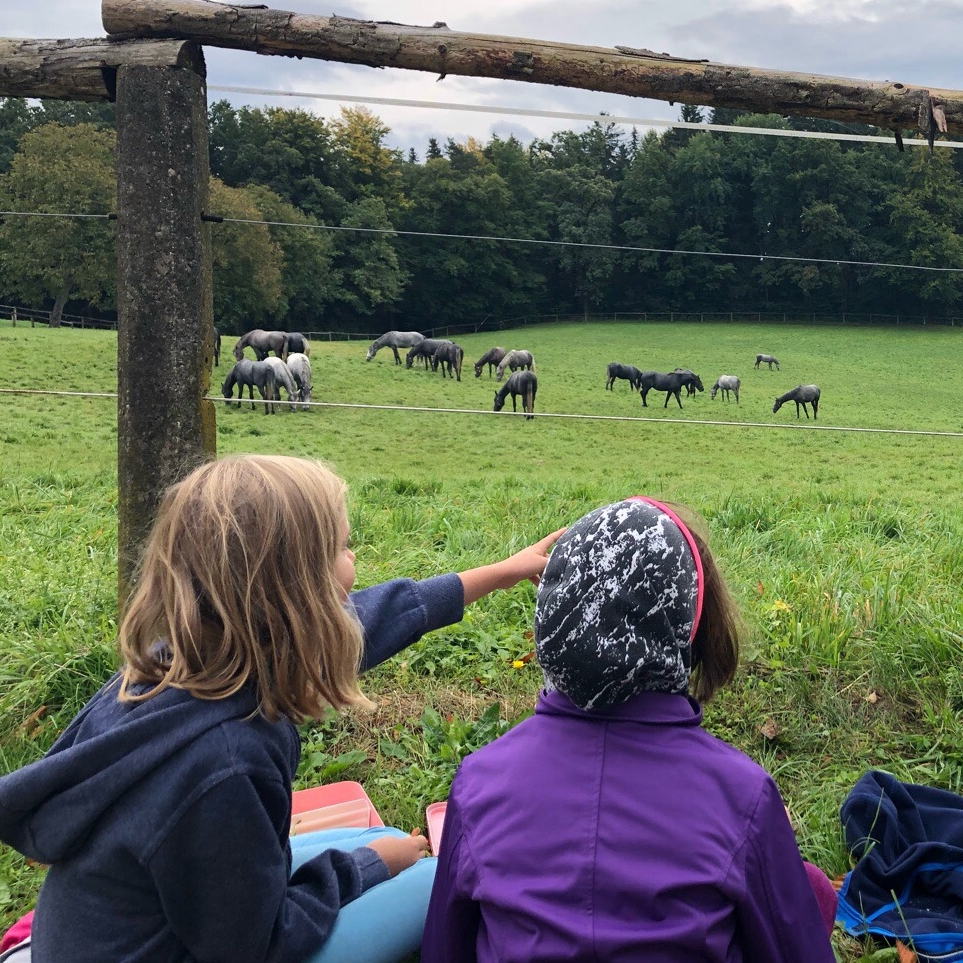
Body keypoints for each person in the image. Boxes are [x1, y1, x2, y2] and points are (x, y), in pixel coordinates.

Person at [0, 454, 563, 963]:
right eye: (343, 546)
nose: (356, 561)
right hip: (198, 948)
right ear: (294, 593)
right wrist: (370, 868)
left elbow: (379, 615)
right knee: (430, 881)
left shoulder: (179, 661)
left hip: (105, 932)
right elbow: (255, 947)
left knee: (387, 837)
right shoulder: (227, 762)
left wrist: (505, 570)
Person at [422, 496, 838, 963]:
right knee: (814, 891)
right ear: (690, 626)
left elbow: (443, 947)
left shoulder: (478, 782)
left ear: (551, 619)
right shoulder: (743, 797)